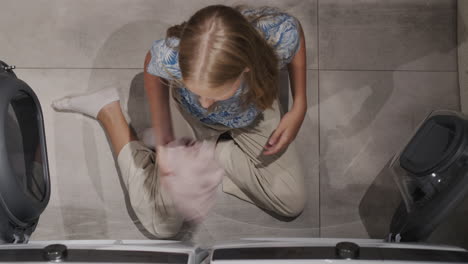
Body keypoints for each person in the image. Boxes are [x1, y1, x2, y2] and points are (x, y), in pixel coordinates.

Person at [52, 4, 307, 239]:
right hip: (190, 120)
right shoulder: (173, 53)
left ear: (245, 69)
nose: (206, 104)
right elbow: (152, 65)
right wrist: (164, 141)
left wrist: (300, 105)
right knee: (162, 224)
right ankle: (108, 111)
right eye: (197, 90)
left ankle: (210, 152)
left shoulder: (276, 35)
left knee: (291, 201)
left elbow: (297, 36)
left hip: (254, 112)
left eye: (215, 93)